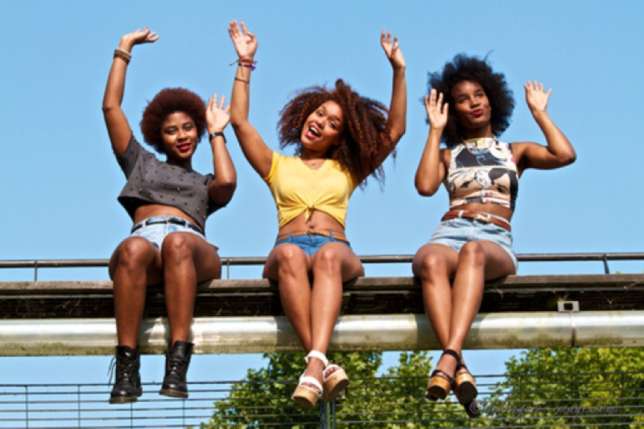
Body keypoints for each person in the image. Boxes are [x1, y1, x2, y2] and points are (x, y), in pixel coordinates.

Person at [226, 21, 406, 407]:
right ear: (305, 114)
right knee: (291, 255)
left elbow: (394, 132)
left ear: (341, 137)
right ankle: (321, 364)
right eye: (319, 114)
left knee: (326, 256)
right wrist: (245, 62)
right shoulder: (276, 165)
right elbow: (239, 121)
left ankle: (313, 366)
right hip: (288, 247)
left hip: (335, 249)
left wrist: (398, 71)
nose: (319, 123)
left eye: (332, 123)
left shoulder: (348, 170)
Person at [413, 54, 576, 416]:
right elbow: (424, 186)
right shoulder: (447, 155)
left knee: (474, 250)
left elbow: (565, 155)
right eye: (462, 99)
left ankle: (449, 357)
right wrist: (435, 130)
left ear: (492, 99)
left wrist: (540, 114)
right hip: (451, 230)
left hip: (493, 238)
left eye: (479, 95)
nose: (473, 103)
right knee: (428, 258)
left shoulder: (515, 151)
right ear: (452, 109)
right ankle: (459, 368)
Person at [102, 28, 236, 403]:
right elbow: (111, 109)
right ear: (158, 137)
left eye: (188, 127)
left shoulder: (204, 182)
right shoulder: (141, 163)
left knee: (177, 242)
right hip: (145, 241)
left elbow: (228, 182)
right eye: (171, 131)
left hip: (189, 247)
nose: (181, 135)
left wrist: (217, 134)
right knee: (132, 249)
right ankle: (127, 366)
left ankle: (177, 361)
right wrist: (123, 50)